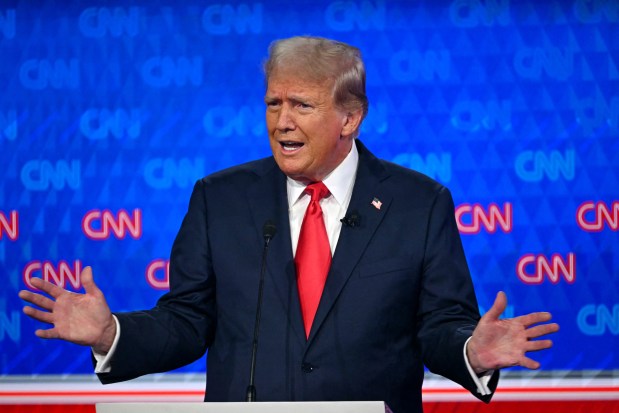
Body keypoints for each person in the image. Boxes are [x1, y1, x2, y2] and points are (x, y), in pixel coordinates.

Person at [19, 36, 558, 413]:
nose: (282, 122)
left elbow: (440, 325)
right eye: (273, 103)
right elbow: (187, 322)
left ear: (350, 117)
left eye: (301, 104)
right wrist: (113, 333)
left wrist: (472, 352)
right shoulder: (221, 198)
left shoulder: (420, 204)